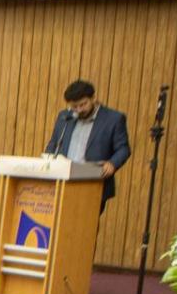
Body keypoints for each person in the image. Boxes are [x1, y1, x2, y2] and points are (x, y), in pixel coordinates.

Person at [45, 79, 130, 211]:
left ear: (93, 98)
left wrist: (112, 163)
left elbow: (123, 148)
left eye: (83, 104)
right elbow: (54, 143)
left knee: (85, 223)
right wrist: (46, 161)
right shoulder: (65, 117)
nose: (79, 110)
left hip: (93, 183)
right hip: (62, 182)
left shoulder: (113, 119)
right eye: (74, 106)